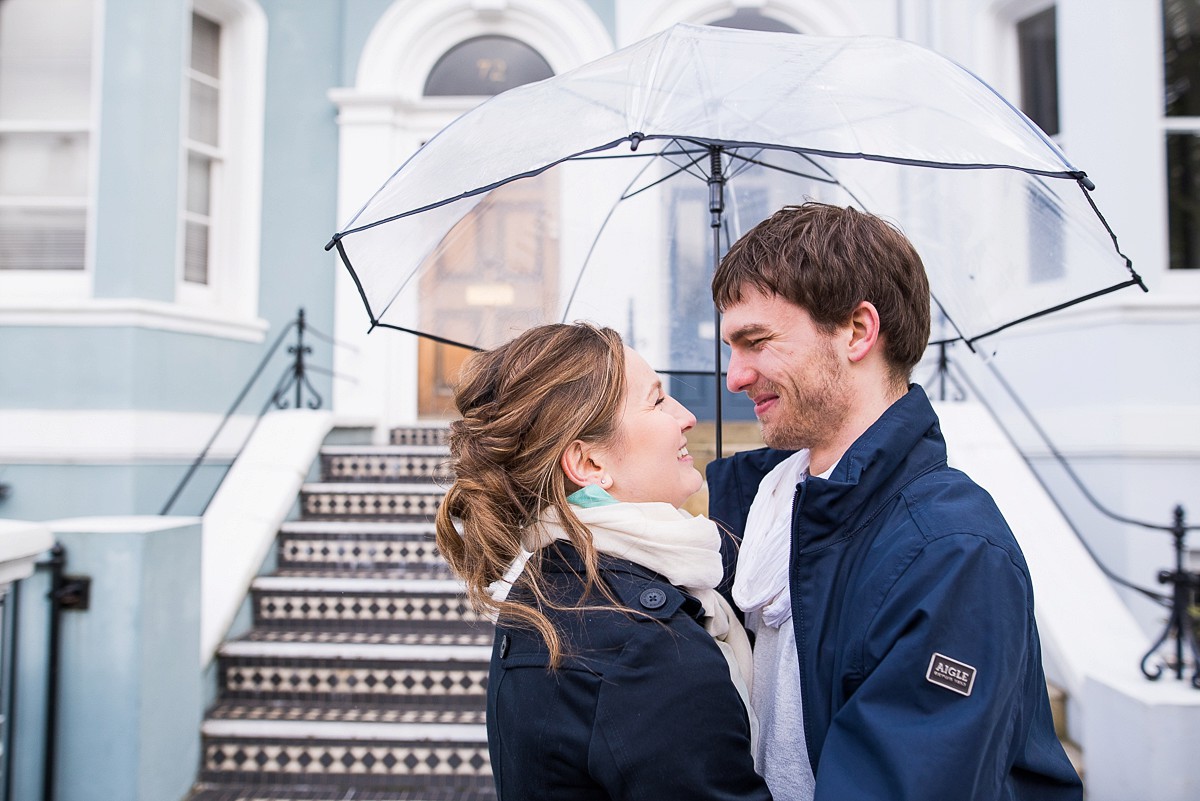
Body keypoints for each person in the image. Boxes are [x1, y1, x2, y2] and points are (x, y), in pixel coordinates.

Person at [707, 202, 1083, 801]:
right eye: (730, 347)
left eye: (756, 342)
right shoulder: (768, 499)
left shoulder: (950, 552)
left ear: (858, 331)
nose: (735, 376)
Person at [434, 322, 772, 801]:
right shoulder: (646, 647)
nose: (687, 416)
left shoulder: (550, 589)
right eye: (657, 401)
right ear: (591, 464)